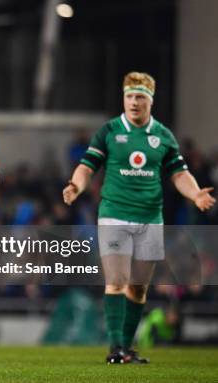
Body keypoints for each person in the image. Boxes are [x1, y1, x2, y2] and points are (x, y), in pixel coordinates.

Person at [63, 72, 215, 364]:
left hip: (150, 219)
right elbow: (87, 166)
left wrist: (195, 194)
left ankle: (127, 348)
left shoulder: (163, 136)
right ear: (124, 98)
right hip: (114, 215)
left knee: (138, 286)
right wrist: (75, 185)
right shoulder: (109, 131)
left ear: (150, 101)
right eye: (129, 96)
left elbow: (179, 174)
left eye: (140, 97)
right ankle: (115, 348)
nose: (134, 102)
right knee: (117, 281)